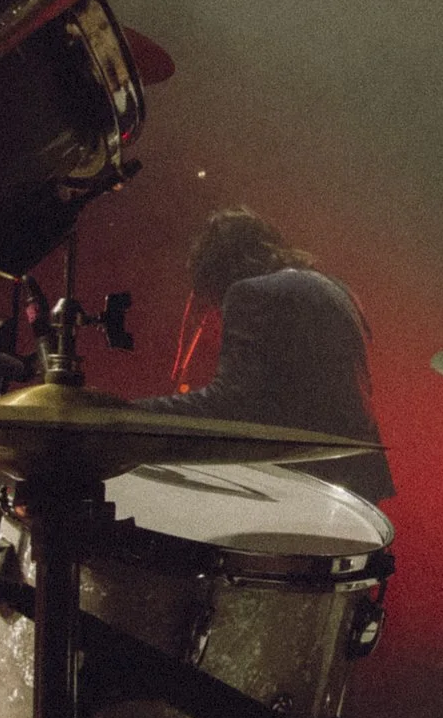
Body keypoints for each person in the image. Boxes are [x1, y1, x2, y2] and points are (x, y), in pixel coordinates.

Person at [137, 207, 393, 504]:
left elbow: (230, 402)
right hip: (357, 478)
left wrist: (133, 416)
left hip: (307, 482)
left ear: (219, 273)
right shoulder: (337, 289)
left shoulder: (250, 292)